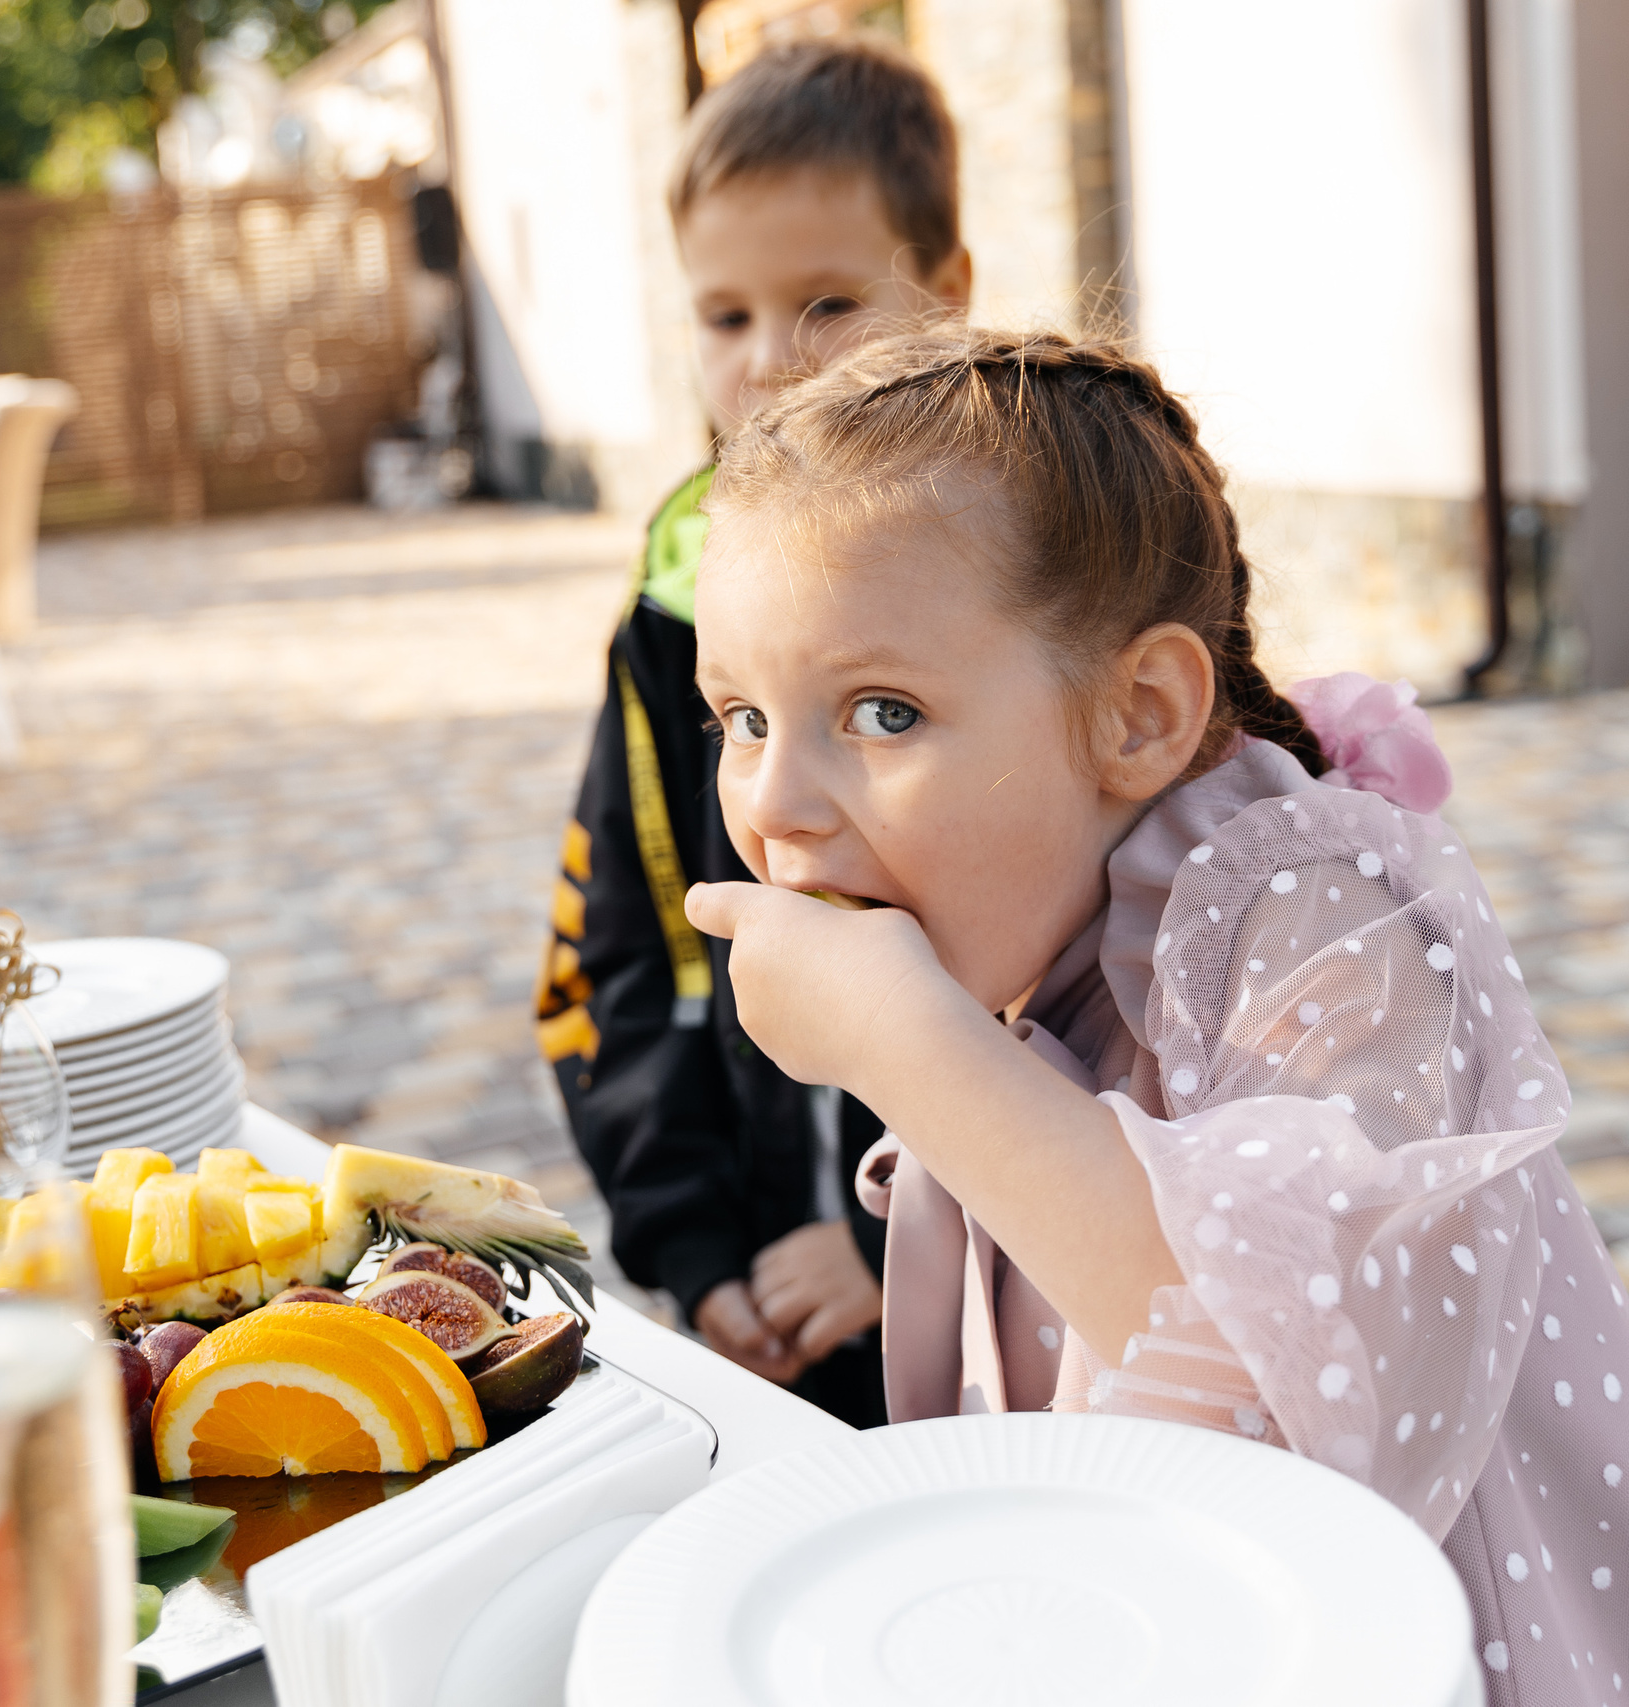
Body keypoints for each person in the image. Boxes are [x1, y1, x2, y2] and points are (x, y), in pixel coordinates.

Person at [685, 324, 1624, 1700]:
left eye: (882, 713)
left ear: (1139, 715)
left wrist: (912, 1050)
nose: (772, 804)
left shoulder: (1318, 909)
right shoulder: (1028, 916)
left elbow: (1283, 1369)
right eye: (742, 719)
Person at [536, 35, 970, 1425]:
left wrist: (908, 1228)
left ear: (947, 297)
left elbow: (1086, 981)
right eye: (725, 317)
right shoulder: (673, 613)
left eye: (828, 302)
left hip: (992, 1301)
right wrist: (696, 1250)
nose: (772, 363)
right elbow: (621, 946)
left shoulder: (1017, 594)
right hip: (770, 1307)